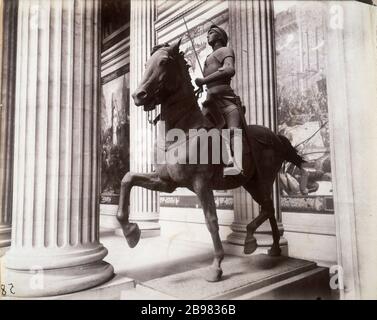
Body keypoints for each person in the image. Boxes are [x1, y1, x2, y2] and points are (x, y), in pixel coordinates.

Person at [194, 25, 247, 174]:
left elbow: (229, 69)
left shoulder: (225, 50)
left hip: (225, 100)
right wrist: (203, 85)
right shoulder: (208, 58)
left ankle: (237, 165)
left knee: (232, 131)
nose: (207, 36)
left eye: (210, 33)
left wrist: (204, 81)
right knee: (197, 131)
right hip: (210, 101)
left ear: (219, 36)